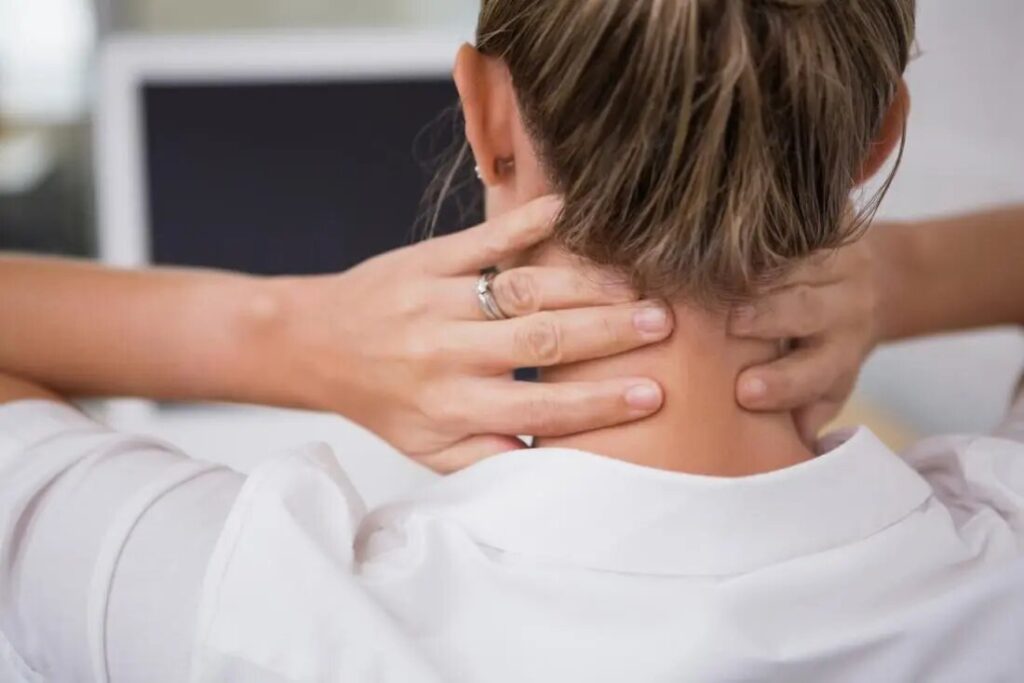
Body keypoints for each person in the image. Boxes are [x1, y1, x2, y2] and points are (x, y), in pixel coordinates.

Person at [1, 1, 1024, 681]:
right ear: (878, 137)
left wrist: (287, 333)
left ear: (487, 115)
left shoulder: (251, 612)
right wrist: (902, 273)